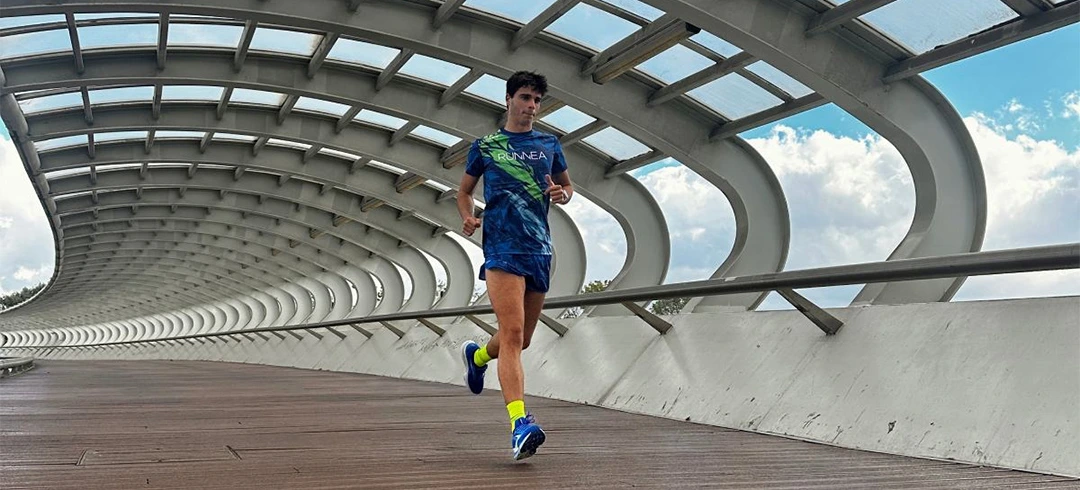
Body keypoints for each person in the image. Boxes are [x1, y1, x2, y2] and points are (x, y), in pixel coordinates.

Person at [456, 71, 573, 461]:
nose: (532, 107)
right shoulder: (487, 145)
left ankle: (476, 358)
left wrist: (562, 194)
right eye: (525, 98)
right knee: (513, 331)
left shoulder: (549, 144)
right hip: (502, 248)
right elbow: (464, 190)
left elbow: (567, 187)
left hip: (539, 249)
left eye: (537, 101)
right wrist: (469, 217)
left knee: (519, 341)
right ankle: (519, 424)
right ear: (508, 99)